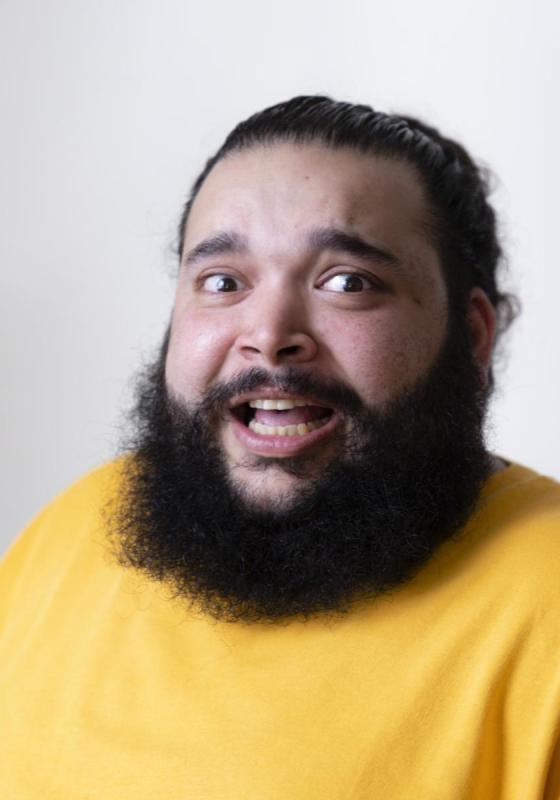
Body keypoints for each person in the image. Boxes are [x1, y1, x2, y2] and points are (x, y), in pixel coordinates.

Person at [1, 96, 559, 799]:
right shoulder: (71, 530)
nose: (268, 333)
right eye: (223, 281)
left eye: (348, 283)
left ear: (471, 336)